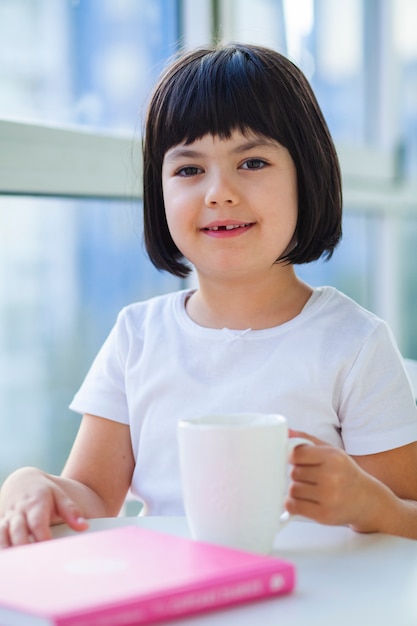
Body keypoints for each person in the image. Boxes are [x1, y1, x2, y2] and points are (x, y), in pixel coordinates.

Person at [1, 43, 417, 549]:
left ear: (307, 176)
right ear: (159, 195)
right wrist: (33, 485)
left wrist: (369, 504)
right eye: (189, 170)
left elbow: (407, 516)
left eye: (253, 162)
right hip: (175, 600)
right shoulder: (137, 336)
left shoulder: (355, 343)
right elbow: (90, 496)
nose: (218, 192)